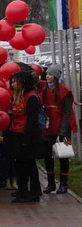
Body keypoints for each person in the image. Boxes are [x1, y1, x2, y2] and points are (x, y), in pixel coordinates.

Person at [41, 65, 77, 194]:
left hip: (64, 129)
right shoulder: (44, 90)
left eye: (50, 74)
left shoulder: (64, 91)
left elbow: (67, 113)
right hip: (48, 129)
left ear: (56, 76)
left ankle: (63, 183)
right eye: (47, 74)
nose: (47, 76)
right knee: (47, 156)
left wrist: (62, 133)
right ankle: (51, 183)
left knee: (64, 155)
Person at [8, 71, 43, 203]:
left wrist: (26, 139)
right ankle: (22, 190)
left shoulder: (31, 98)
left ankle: (33, 191)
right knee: (19, 164)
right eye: (12, 81)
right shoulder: (17, 96)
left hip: (28, 136)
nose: (13, 84)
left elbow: (32, 120)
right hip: (16, 133)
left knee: (29, 164)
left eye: (15, 81)